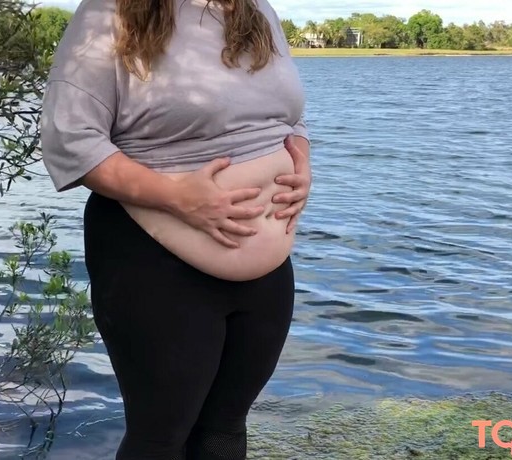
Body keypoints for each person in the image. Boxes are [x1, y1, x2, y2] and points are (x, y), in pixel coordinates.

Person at [39, 0, 311, 458]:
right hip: (152, 259)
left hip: (267, 272)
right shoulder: (111, 11)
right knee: (161, 437)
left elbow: (290, 117)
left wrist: (303, 163)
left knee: (225, 429)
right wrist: (177, 197)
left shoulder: (257, 9)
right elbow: (70, 138)